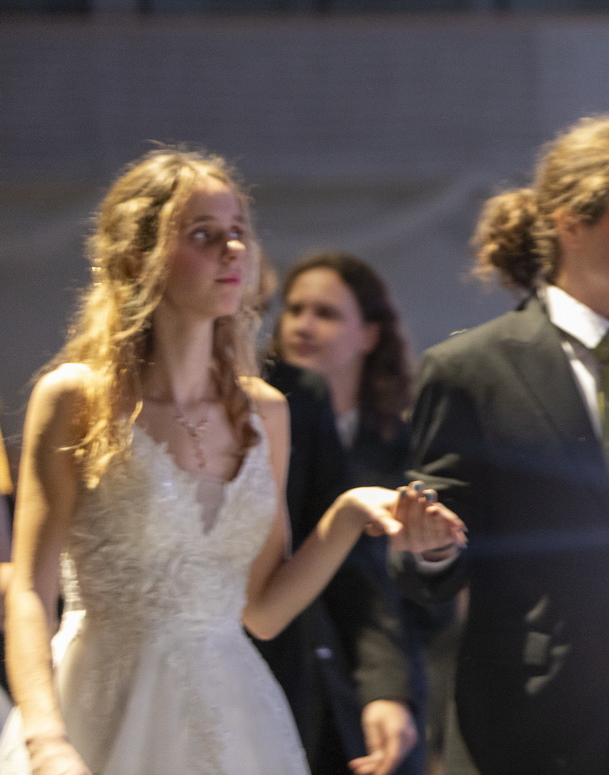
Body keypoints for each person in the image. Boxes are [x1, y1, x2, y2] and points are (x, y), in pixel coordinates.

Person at [0, 147, 461, 775]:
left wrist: (350, 512)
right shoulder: (77, 397)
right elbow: (30, 588)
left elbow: (263, 612)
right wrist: (45, 737)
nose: (233, 250)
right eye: (203, 234)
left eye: (238, 231)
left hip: (234, 712)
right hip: (102, 705)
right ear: (137, 260)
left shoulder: (265, 412)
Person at [392, 115, 609, 775]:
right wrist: (430, 547)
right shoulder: (471, 370)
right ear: (571, 223)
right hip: (531, 727)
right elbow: (431, 564)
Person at [263, 253, 434, 775]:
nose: (303, 325)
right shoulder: (261, 414)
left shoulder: (406, 445)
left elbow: (408, 591)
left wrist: (389, 685)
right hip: (283, 658)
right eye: (294, 309)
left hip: (379, 660)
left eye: (326, 313)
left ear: (369, 335)